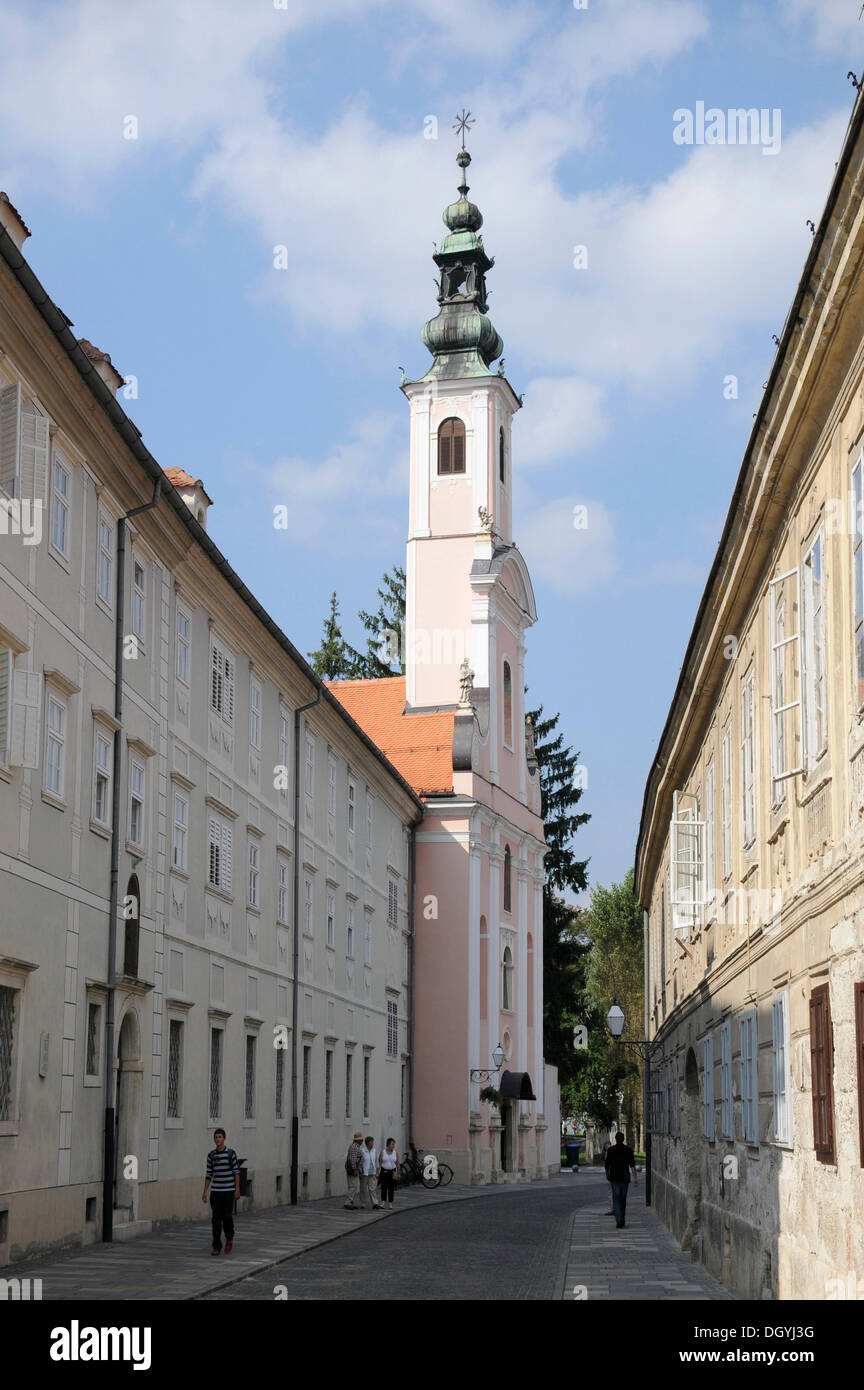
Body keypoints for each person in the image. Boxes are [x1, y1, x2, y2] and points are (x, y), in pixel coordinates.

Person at [202, 1128, 241, 1255]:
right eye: (216, 1137)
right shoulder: (211, 1155)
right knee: (215, 1219)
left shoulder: (230, 1153)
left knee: (227, 1217)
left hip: (229, 1191)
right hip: (216, 1192)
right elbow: (209, 1174)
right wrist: (205, 1191)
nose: (218, 1139)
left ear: (224, 1138)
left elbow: (236, 1172)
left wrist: (237, 1189)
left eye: (220, 1137)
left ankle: (229, 1238)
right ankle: (216, 1246)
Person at [604, 1131, 638, 1228]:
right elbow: (632, 1165)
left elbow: (607, 1165)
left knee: (616, 1199)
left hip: (614, 1177)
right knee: (623, 1199)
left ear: (615, 1139)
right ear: (623, 1139)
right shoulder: (628, 1150)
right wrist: (635, 1178)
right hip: (624, 1177)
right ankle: (622, 1218)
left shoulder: (611, 1150)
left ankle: (618, 1219)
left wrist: (607, 1175)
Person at [344, 1131, 365, 1209]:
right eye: (361, 1140)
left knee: (352, 1186)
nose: (362, 1141)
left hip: (354, 1168)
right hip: (353, 1169)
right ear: (357, 1140)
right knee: (353, 1186)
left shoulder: (356, 1146)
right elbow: (353, 1159)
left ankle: (350, 1201)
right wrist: (355, 1169)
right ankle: (348, 1202)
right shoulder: (354, 1147)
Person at [360, 1134, 381, 1210]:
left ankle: (375, 1203)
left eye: (373, 1142)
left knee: (372, 1189)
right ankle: (362, 1203)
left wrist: (377, 1171)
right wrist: (361, 1172)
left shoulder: (374, 1150)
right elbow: (360, 1162)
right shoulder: (362, 1151)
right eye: (371, 1142)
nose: (373, 1144)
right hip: (364, 1173)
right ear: (367, 1143)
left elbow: (376, 1162)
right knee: (363, 1189)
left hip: (373, 1172)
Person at [378, 1138, 399, 1209]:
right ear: (388, 1144)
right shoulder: (383, 1152)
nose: (393, 1146)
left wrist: (399, 1173)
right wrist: (377, 1172)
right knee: (384, 1187)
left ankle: (390, 1203)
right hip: (384, 1171)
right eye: (392, 1144)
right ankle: (383, 1203)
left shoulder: (395, 1153)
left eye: (394, 1144)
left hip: (392, 1171)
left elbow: (397, 1163)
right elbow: (379, 1162)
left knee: (391, 1188)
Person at [602, 1140, 614, 1215]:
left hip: (611, 1175)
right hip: (614, 1175)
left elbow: (607, 1165)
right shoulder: (608, 1152)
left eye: (607, 1145)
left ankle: (613, 1209)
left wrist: (607, 1174)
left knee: (611, 1192)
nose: (606, 1147)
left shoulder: (609, 1152)